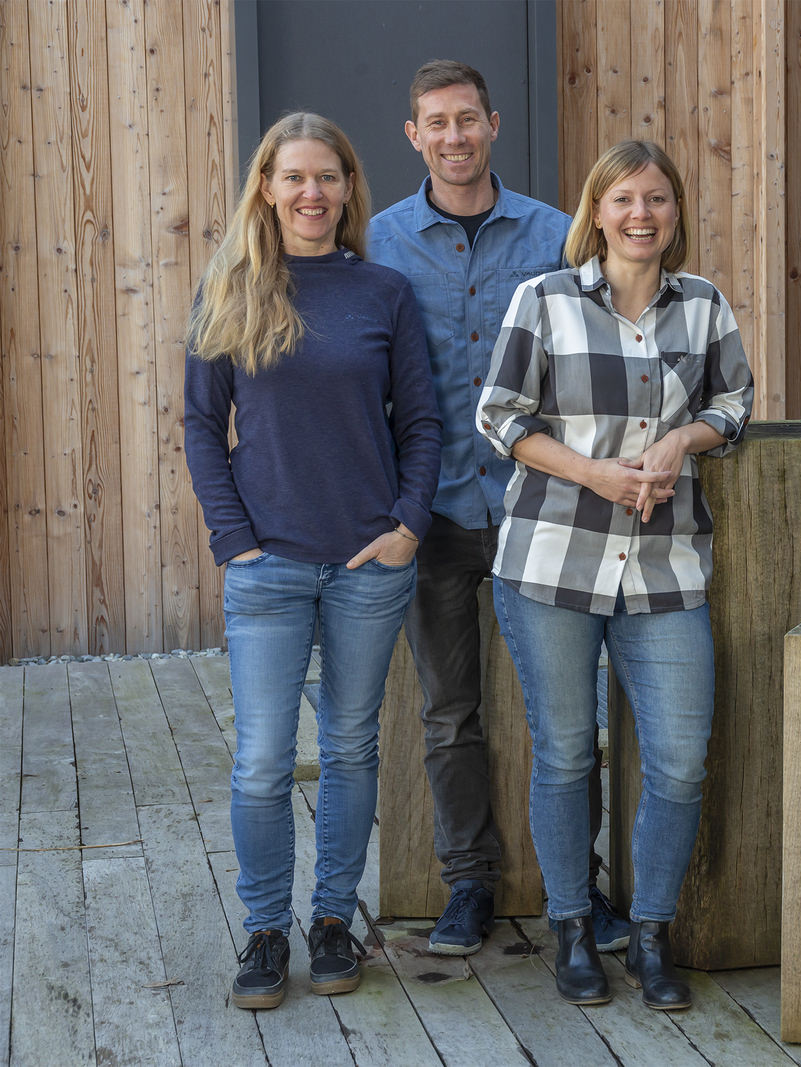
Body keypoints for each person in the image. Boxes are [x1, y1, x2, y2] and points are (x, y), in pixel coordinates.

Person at [477, 139, 753, 1011]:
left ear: (675, 212)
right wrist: (595, 473)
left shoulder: (704, 305)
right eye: (626, 199)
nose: (643, 215)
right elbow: (499, 416)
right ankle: (571, 927)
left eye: (659, 200)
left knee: (678, 761)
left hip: (666, 570)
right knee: (564, 754)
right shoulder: (545, 300)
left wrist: (684, 438)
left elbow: (736, 401)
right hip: (552, 561)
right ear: (596, 211)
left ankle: (650, 933)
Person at [368, 60, 629, 958]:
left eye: (467, 120)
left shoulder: (559, 235)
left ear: (494, 123)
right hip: (432, 512)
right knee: (450, 711)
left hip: (545, 508)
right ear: (414, 135)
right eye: (435, 122)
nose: (453, 137)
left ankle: (577, 890)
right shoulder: (382, 240)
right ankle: (468, 882)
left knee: (569, 714)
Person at [185, 112, 442, 1009]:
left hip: (370, 563)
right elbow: (199, 427)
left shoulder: (383, 293)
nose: (311, 193)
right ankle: (264, 930)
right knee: (260, 760)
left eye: (327, 176)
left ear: (348, 189)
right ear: (266, 186)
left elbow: (420, 421)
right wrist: (235, 539)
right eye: (294, 176)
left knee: (349, 746)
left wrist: (409, 525)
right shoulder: (230, 288)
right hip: (268, 568)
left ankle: (332, 920)